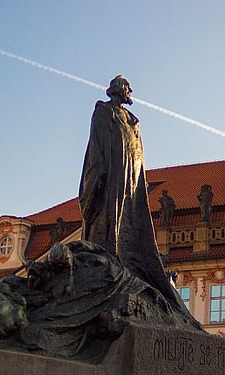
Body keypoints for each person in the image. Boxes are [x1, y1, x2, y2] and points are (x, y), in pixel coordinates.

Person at [79, 75, 188, 313]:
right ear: (117, 90)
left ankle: (127, 265)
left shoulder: (133, 122)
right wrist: (92, 187)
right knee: (108, 228)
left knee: (131, 225)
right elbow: (96, 152)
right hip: (112, 182)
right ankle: (109, 265)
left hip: (132, 184)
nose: (131, 91)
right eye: (128, 87)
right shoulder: (103, 112)